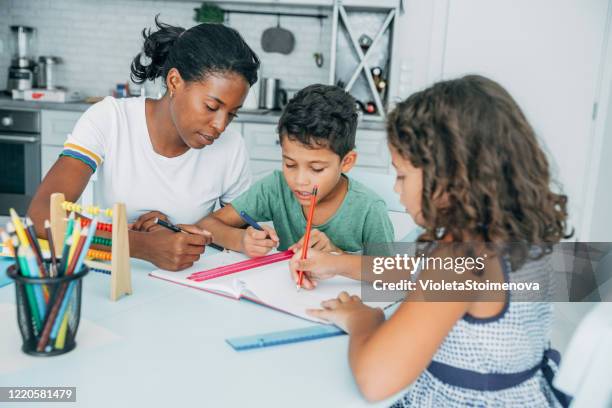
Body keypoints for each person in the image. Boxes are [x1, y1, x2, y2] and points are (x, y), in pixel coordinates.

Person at [301, 75, 572, 406]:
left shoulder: (458, 260)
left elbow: (375, 380)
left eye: (401, 175)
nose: (397, 189)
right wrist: (338, 263)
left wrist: (363, 320)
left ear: (450, 176)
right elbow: (410, 272)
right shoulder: (519, 232)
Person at [28, 17, 260, 271]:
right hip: (108, 277)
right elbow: (43, 216)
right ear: (174, 82)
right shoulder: (111, 119)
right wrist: (141, 245)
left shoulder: (231, 146)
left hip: (187, 285)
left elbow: (237, 234)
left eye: (232, 114)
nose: (220, 125)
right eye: (211, 107)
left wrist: (179, 231)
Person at [199, 84, 394, 278]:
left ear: (346, 162)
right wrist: (241, 240)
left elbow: (395, 276)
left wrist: (337, 259)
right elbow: (206, 224)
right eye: (290, 164)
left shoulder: (369, 209)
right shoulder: (275, 188)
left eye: (316, 169)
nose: (299, 181)